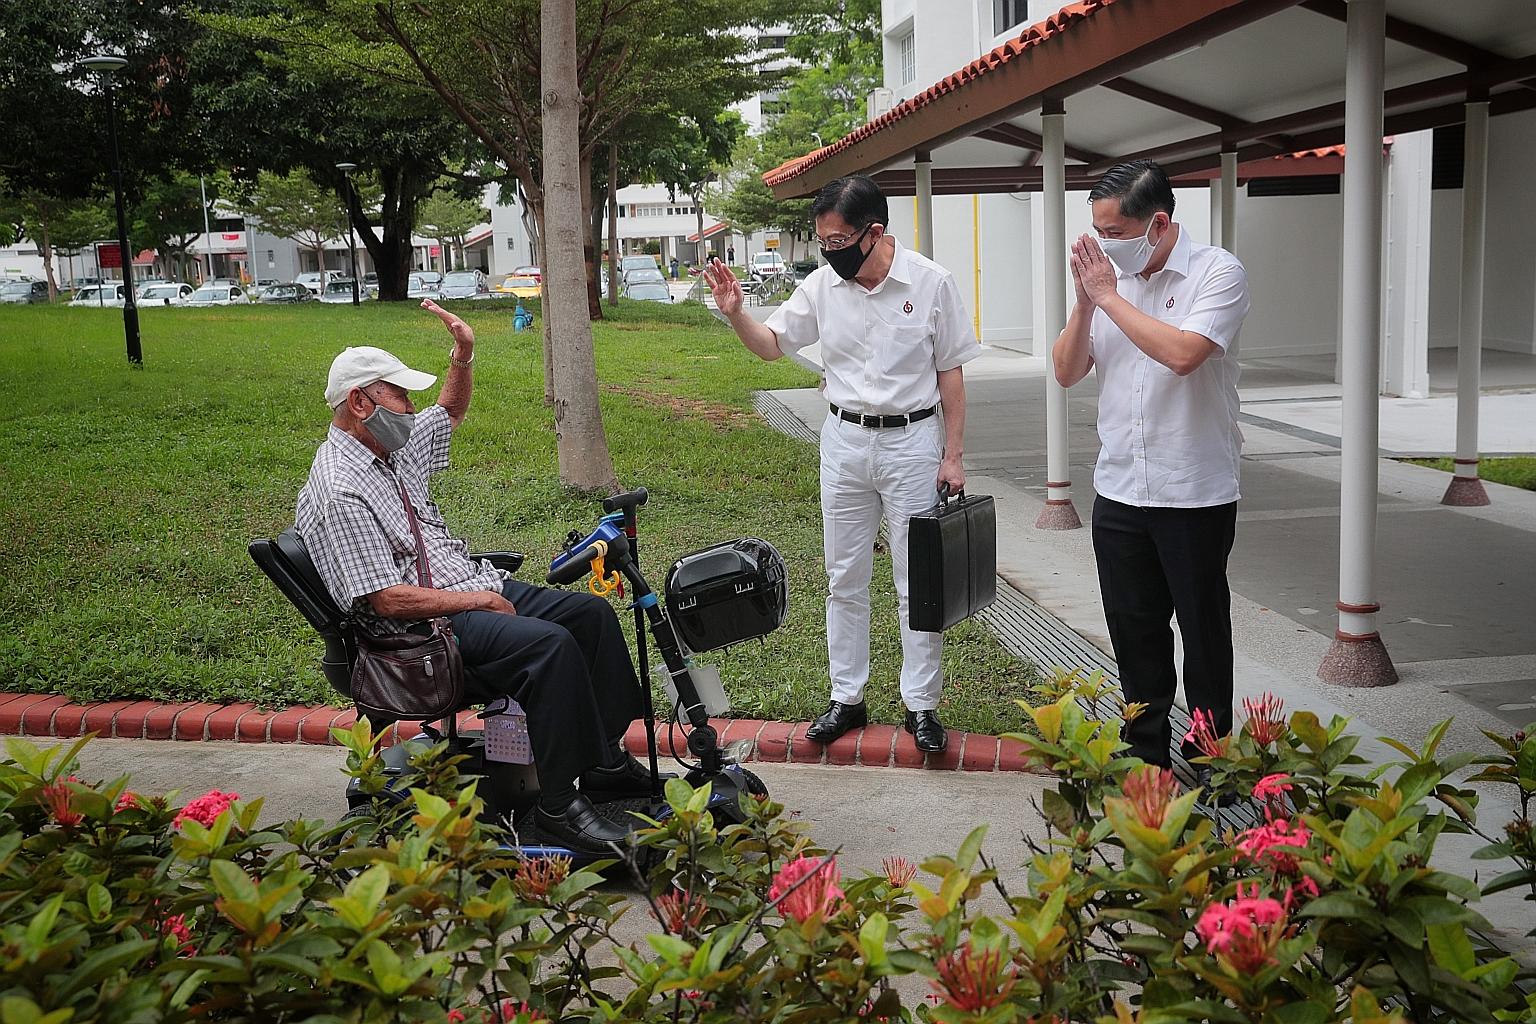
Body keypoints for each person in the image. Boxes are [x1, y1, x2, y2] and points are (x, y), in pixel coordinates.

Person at [294, 300, 654, 853]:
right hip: (424, 632)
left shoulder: (388, 448)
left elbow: (448, 414)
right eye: (398, 396)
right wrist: (475, 603)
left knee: (591, 615)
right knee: (551, 648)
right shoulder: (339, 490)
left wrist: (462, 357)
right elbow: (386, 600)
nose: (411, 409)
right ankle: (560, 806)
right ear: (360, 403)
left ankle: (602, 761)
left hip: (466, 587)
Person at [704, 175, 979, 753]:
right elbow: (772, 345)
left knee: (917, 581)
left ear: (873, 232)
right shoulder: (822, 286)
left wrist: (953, 456)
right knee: (844, 576)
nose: (829, 251)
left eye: (837, 241)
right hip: (845, 441)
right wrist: (736, 314)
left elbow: (951, 371)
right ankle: (846, 698)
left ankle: (921, 705)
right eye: (822, 241)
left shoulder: (931, 283)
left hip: (912, 442)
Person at [1052, 160, 1251, 779]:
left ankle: (1211, 754)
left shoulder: (1217, 272)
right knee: (1134, 629)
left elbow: (1185, 355)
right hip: (1119, 489)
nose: (1103, 245)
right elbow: (1065, 370)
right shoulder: (1110, 283)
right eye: (1097, 232)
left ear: (1157, 223)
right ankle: (1146, 754)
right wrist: (1086, 304)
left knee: (1202, 628)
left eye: (1113, 232)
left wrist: (1109, 295)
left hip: (1193, 488)